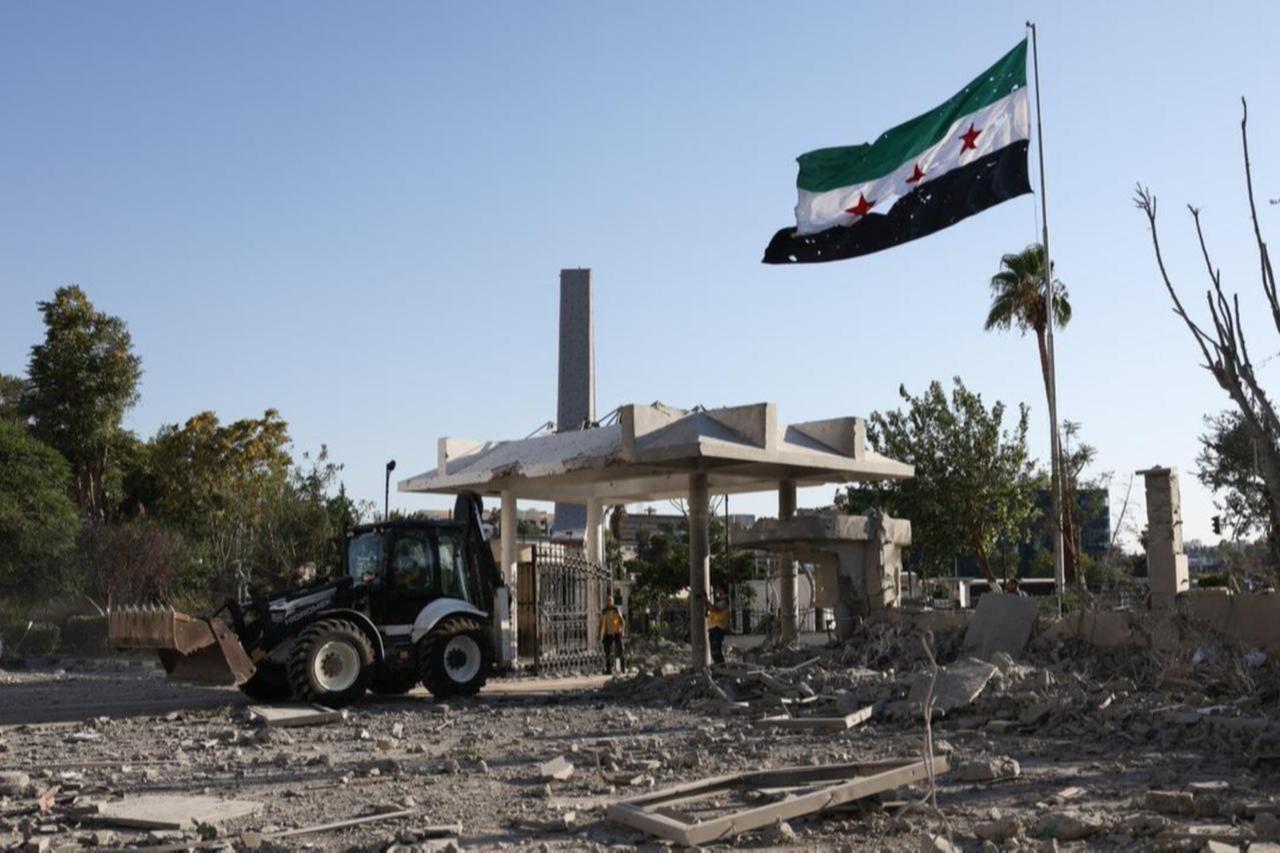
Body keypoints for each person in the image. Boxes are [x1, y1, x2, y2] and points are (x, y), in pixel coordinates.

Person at [598, 594, 625, 675]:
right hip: (608, 633)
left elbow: (622, 620)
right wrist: (600, 633)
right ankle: (608, 669)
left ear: (612, 601)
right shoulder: (604, 611)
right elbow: (601, 622)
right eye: (607, 600)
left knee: (620, 650)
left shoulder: (616, 609)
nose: (609, 601)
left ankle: (623, 669)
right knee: (607, 651)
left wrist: (622, 631)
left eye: (610, 600)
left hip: (617, 632)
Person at [707, 586, 731, 665]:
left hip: (718, 628)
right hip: (714, 628)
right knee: (714, 650)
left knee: (716, 650)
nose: (717, 593)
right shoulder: (719, 602)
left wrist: (705, 600)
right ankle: (719, 666)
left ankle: (721, 666)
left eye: (719, 592)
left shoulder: (724, 602)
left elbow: (714, 609)